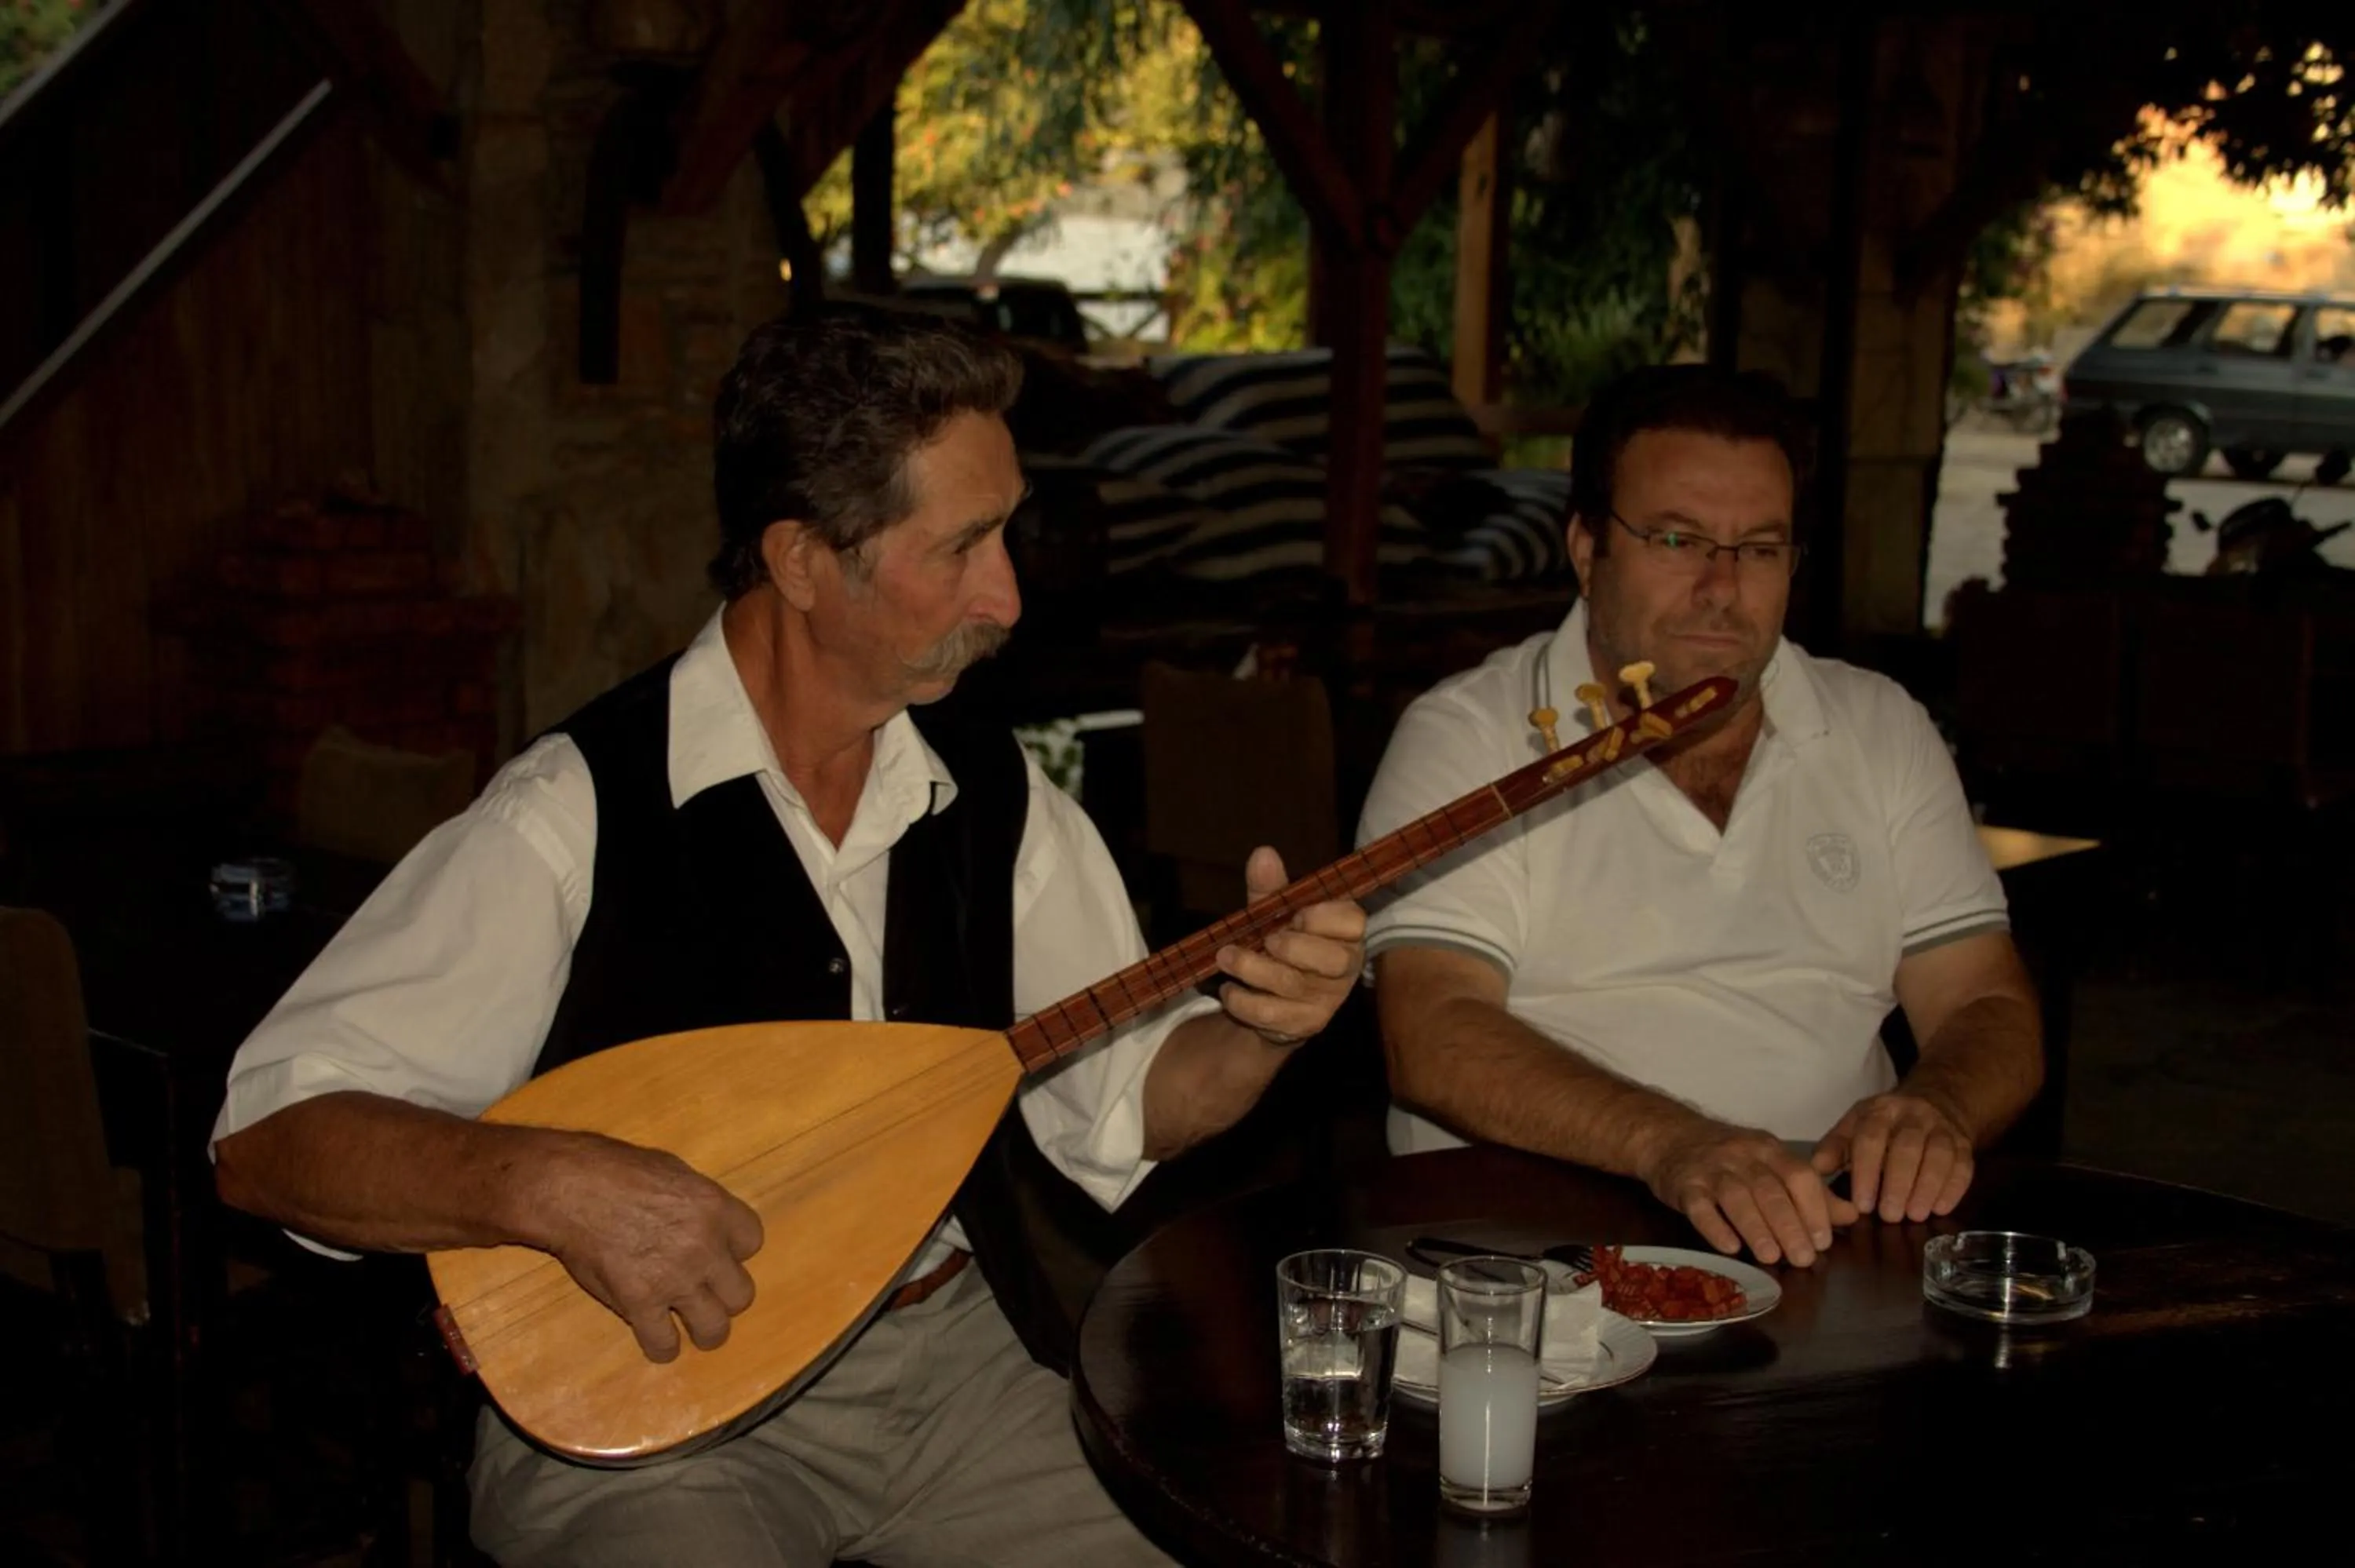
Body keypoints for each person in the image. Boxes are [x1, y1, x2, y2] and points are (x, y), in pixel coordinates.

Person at [211, 305, 1367, 1567]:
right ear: (803, 560)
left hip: (956, 1369)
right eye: (963, 545)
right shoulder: (577, 810)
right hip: (648, 1405)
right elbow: (270, 1140)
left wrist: (1259, 1031)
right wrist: (537, 1182)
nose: (1010, 594)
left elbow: (1126, 1098)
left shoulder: (997, 796)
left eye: (1007, 529)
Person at [1357, 365, 2043, 1271]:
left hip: (1829, 1245)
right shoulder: (1473, 736)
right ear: (1587, 548)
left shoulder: (1876, 726)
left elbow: (1986, 1001)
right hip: (1536, 1267)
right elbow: (1432, 1035)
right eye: (1678, 540)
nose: (1722, 587)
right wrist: (1673, 1146)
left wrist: (1937, 1110)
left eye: (1759, 549)